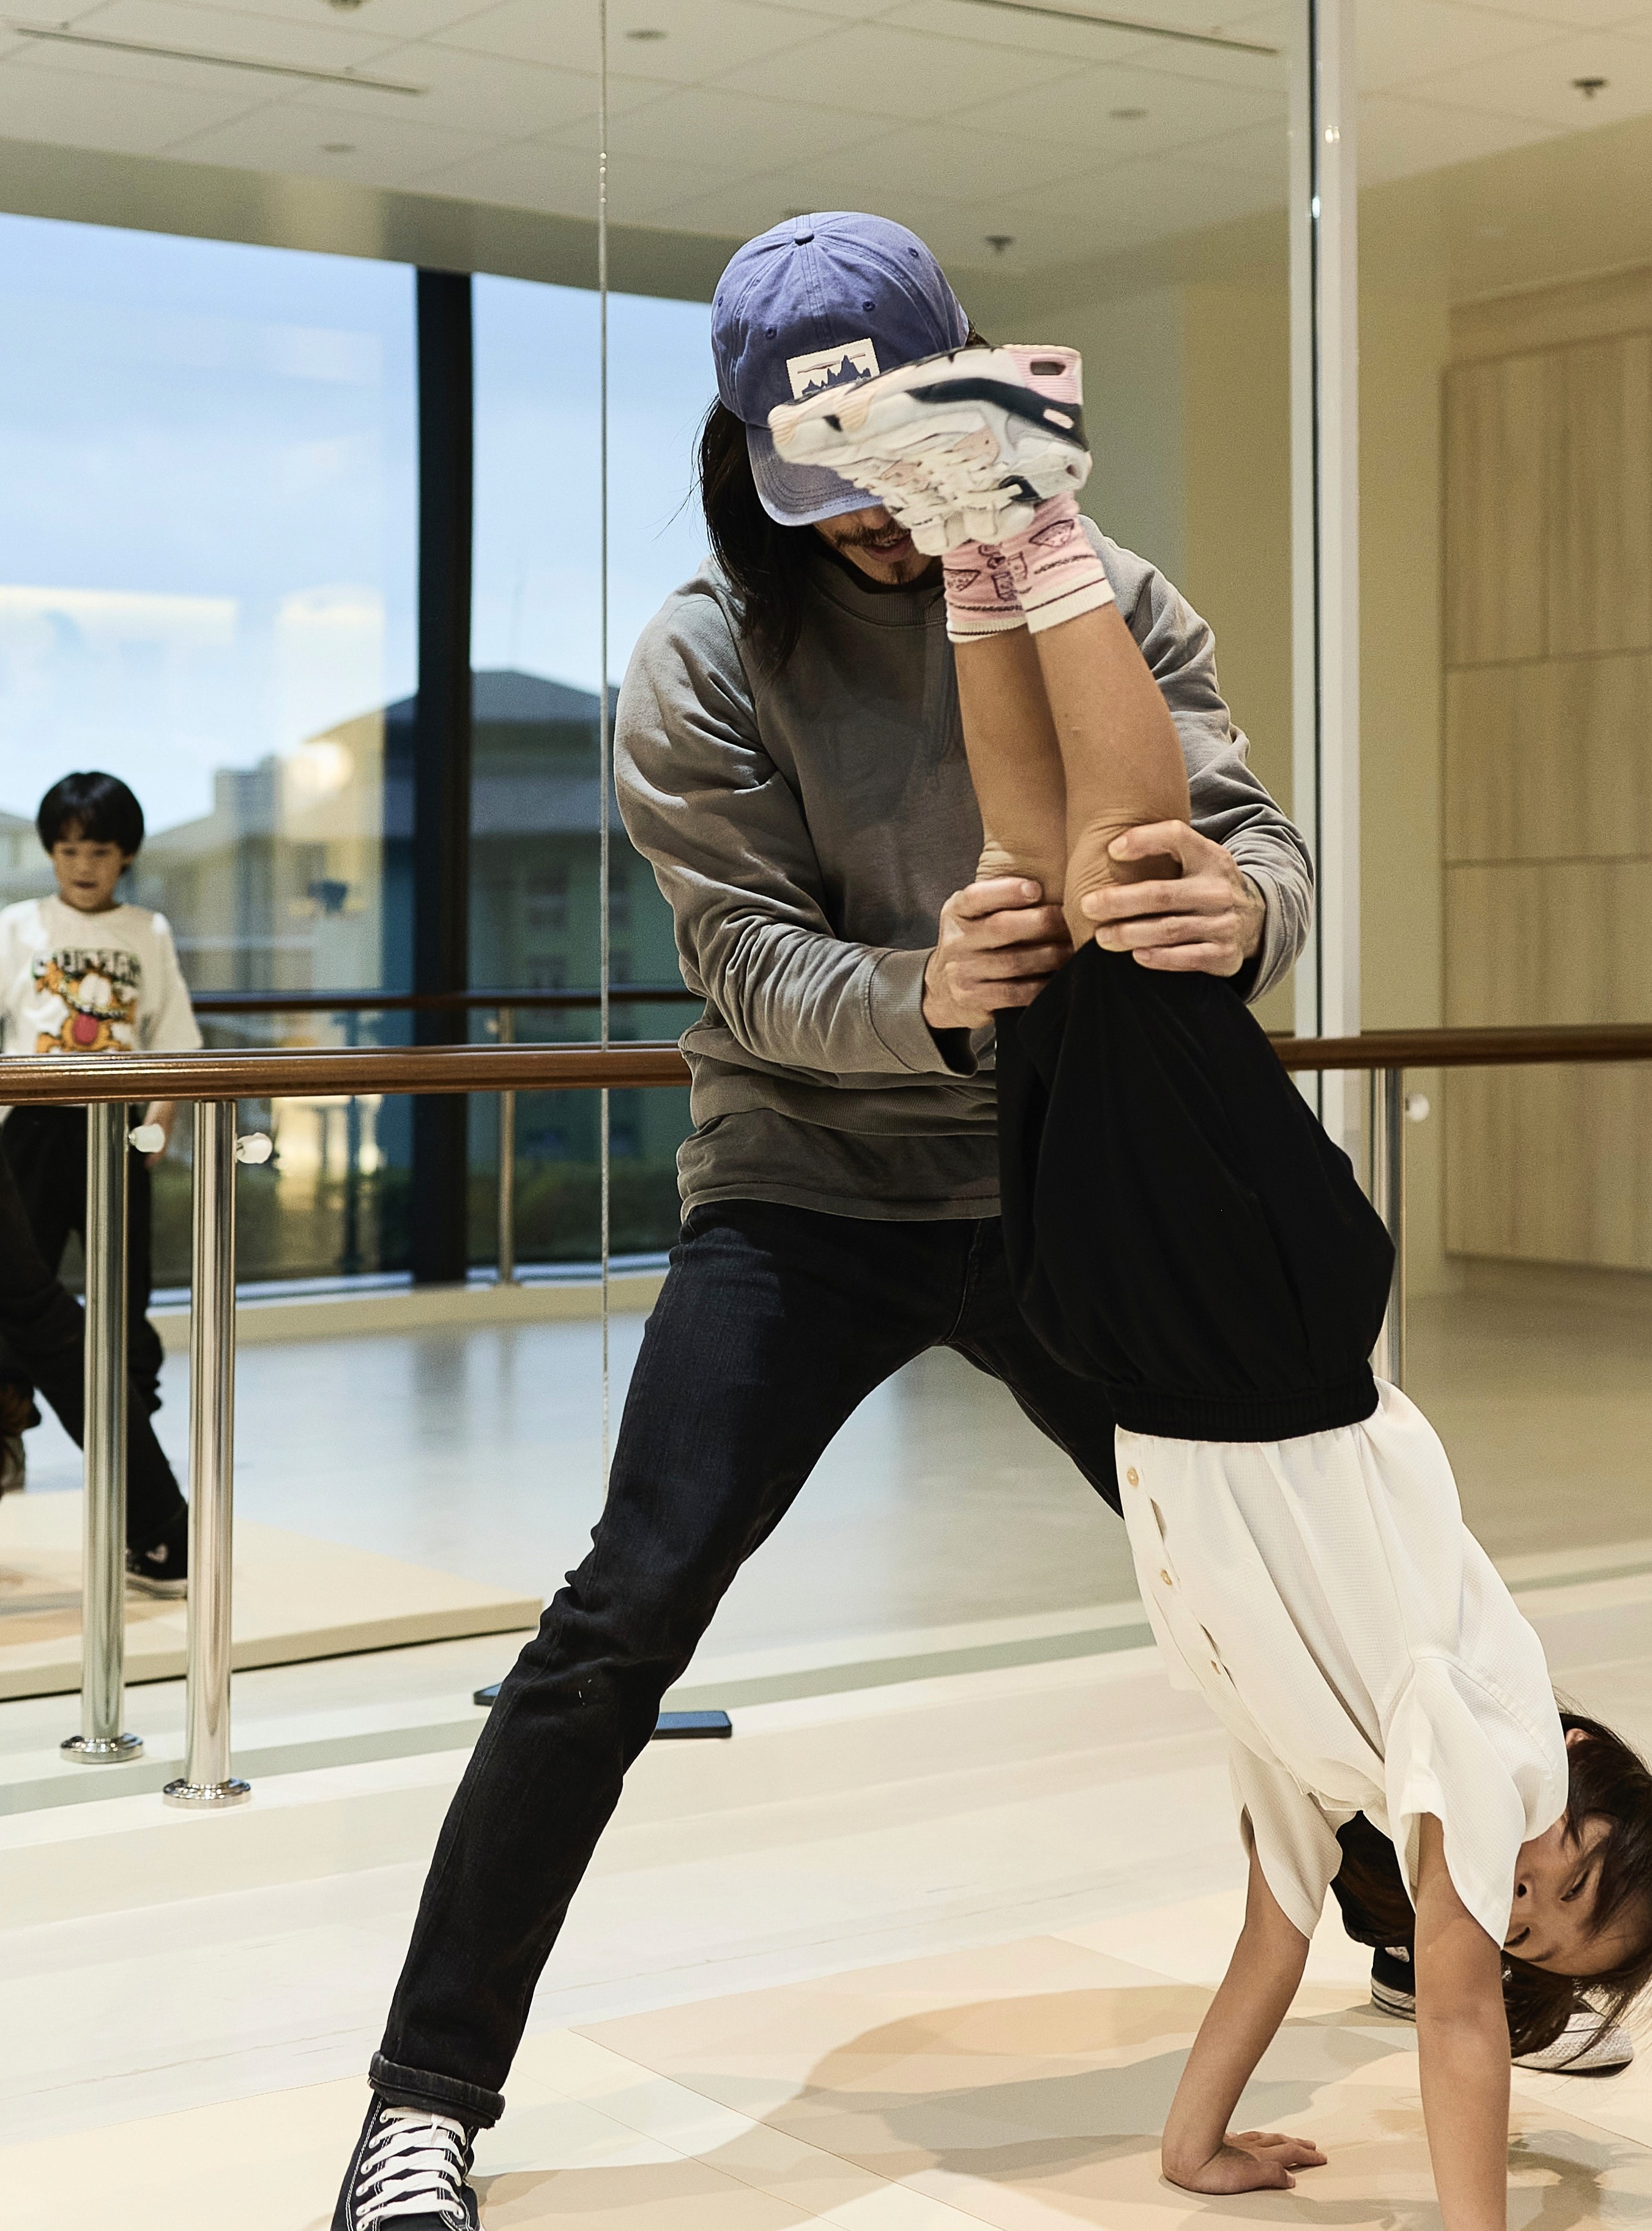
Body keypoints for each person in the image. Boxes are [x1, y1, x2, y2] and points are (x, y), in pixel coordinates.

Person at [332, 213, 1314, 2228]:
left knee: (1275, 1564)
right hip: (800, 1189)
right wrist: (929, 993)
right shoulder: (702, 656)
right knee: (621, 1614)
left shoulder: (1102, 590)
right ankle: (421, 2097)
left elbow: (1242, 834)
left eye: (900, 459)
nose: (874, 515)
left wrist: (1248, 914)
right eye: (828, 482)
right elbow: (746, 970)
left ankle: (1411, 1909)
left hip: (1062, 1186)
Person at [787, 347, 1652, 2222]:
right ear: (1580, 1772)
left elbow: (1266, 1952)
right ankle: (1036, 494)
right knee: (1130, 881)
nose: (1513, 1897)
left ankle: (970, 539)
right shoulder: (1481, 1736)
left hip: (1151, 1358)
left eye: (1536, 1925)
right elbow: (1446, 2024)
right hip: (1268, 1344)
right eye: (1568, 1870)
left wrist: (1189, 2143)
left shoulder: (1333, 1779)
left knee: (1034, 889)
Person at [0, 772, 190, 1582]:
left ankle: (130, 1454)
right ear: (50, 852)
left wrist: (158, 1120)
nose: (83, 865)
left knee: (123, 1295)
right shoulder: (19, 925)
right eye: (67, 849)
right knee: (23, 1295)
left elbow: (176, 1041)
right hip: (27, 1126)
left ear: (125, 856)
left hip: (116, 1125)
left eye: (99, 850)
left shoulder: (147, 930)